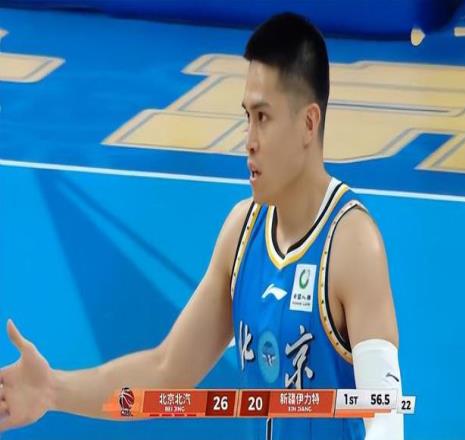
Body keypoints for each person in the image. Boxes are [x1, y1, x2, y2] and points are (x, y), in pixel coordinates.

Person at [0, 13, 403, 440]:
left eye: (263, 118)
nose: (248, 141)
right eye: (247, 116)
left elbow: (386, 417)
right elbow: (165, 370)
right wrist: (52, 390)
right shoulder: (242, 233)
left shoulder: (352, 245)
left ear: (308, 123)